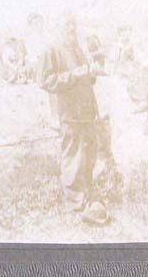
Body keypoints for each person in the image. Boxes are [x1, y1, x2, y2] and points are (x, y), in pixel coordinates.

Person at [39, 14, 109, 224]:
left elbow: (85, 77)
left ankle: (85, 197)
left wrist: (92, 72)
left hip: (87, 110)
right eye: (66, 24)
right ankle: (73, 203)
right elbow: (45, 81)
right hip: (68, 112)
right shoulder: (50, 50)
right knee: (72, 154)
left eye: (73, 24)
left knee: (88, 154)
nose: (71, 28)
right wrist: (76, 74)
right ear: (57, 27)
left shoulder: (78, 48)